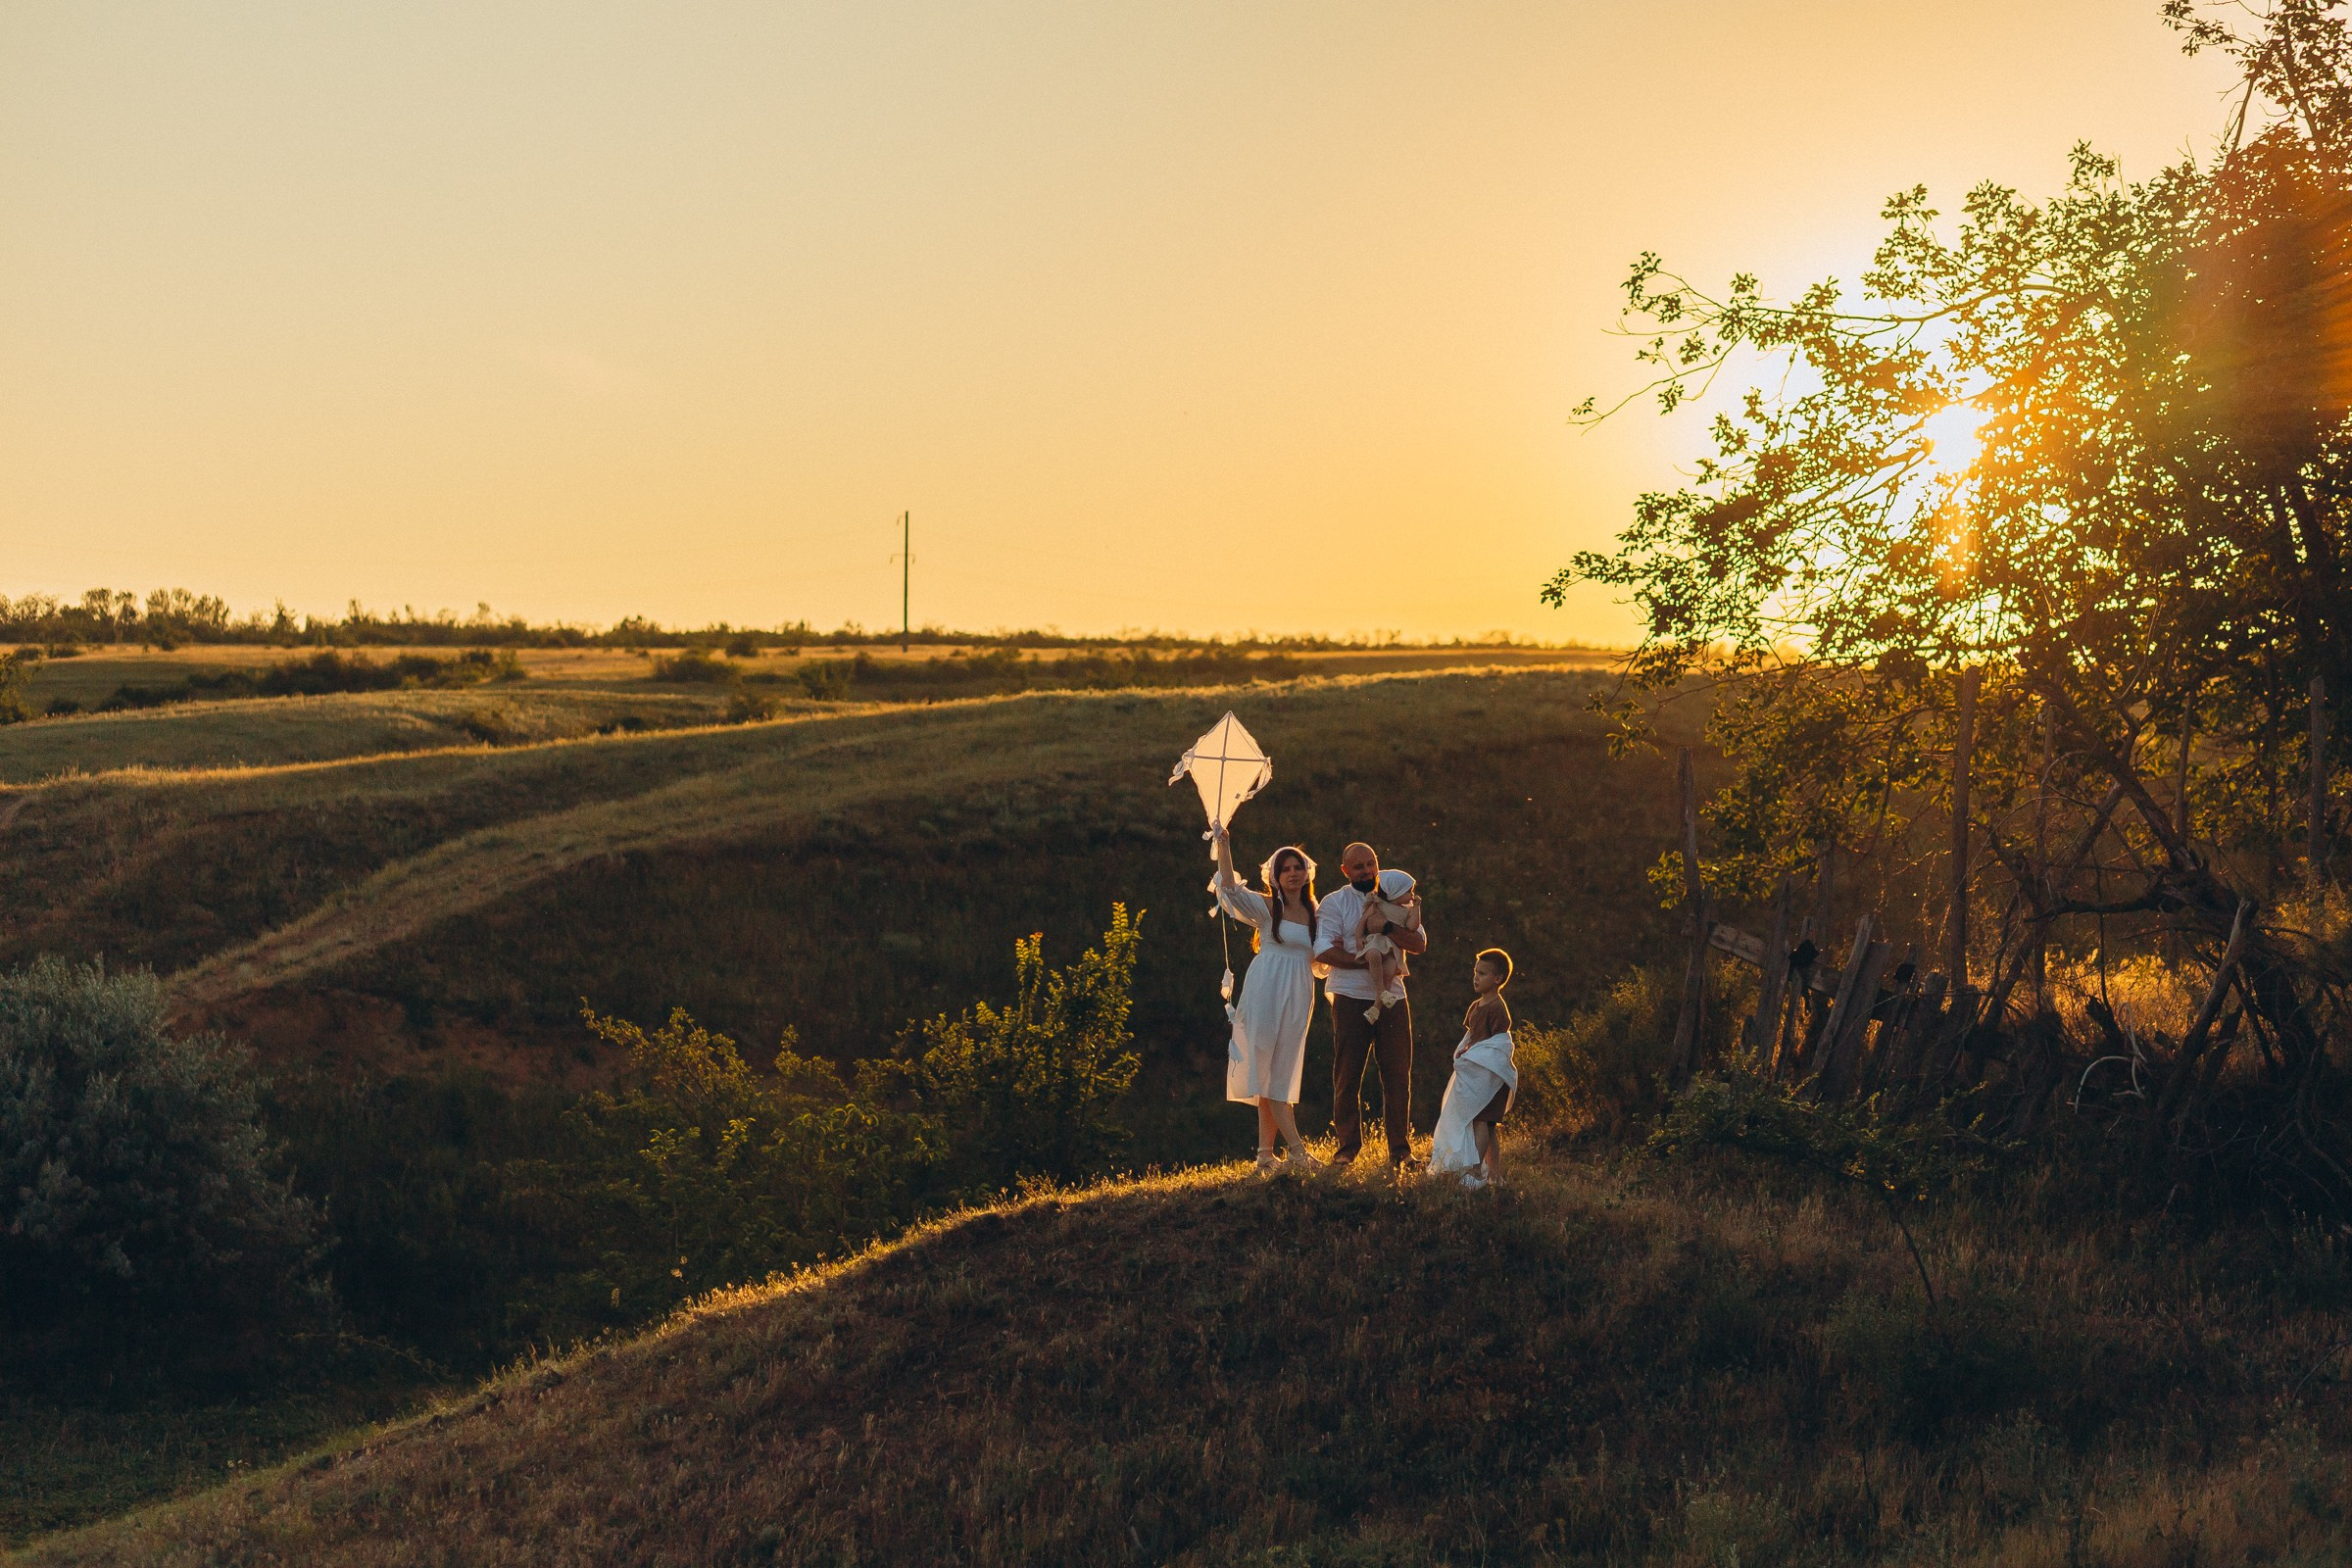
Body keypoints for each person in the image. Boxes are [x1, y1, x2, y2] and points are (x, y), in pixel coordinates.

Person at [1211, 825, 1327, 1175]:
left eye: (1297, 867)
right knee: (1267, 1070)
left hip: (1299, 992)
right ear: (1275, 877)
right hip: (1266, 989)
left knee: (1281, 1069)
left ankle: (1264, 1153)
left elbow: (1329, 954)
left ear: (1307, 873)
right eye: (1285, 869)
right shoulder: (1266, 908)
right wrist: (1225, 843)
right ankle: (1296, 1150)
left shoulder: (1316, 914)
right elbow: (1229, 887)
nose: (1293, 873)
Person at [1315, 841, 1430, 1169]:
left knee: (1397, 1073)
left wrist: (1388, 929)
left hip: (1395, 997)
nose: (1366, 871)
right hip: (1350, 997)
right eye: (1358, 867)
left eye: (1370, 864)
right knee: (1347, 1074)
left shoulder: (1396, 893)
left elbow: (1419, 942)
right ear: (1345, 871)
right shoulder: (1335, 903)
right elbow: (1323, 949)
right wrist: (1367, 961)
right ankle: (1347, 1149)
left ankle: (1400, 1152)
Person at [1430, 949, 1516, 1187]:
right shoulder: (1476, 1007)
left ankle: (1477, 1170)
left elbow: (1498, 1046)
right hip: (1478, 1077)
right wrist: (1466, 1055)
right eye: (1475, 972)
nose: (1476, 977)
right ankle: (1495, 1176)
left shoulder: (1497, 1008)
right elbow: (1472, 1038)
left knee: (1482, 1122)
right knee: (1486, 1125)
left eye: (1483, 973)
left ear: (1497, 979)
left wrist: (1481, 1060)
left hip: (1491, 1079)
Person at [1356, 869, 1421, 1023]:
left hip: (1393, 948)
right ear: (1394, 892)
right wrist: (1358, 937)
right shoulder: (1377, 904)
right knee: (1373, 955)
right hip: (1376, 941)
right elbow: (1362, 922)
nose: (1412, 896)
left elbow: (1412, 926)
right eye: (1408, 892)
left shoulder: (1407, 912)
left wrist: (1417, 908)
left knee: (1390, 971)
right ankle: (1381, 991)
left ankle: (1375, 1008)